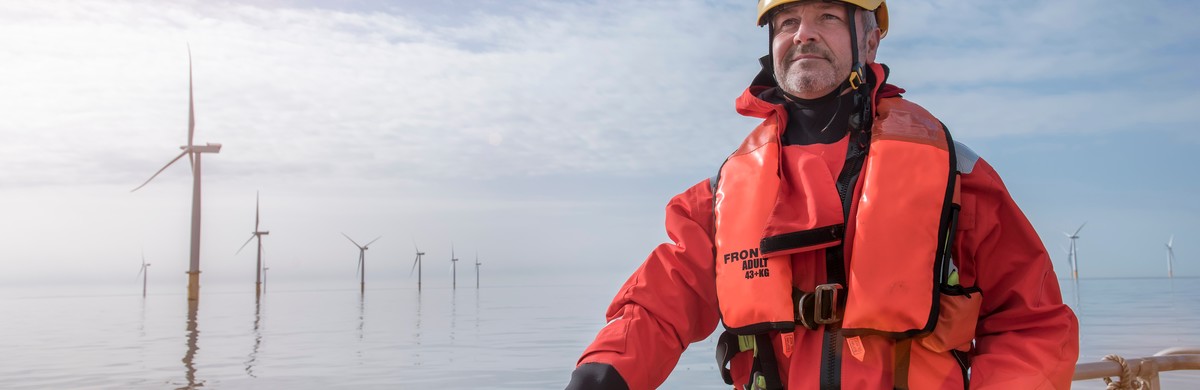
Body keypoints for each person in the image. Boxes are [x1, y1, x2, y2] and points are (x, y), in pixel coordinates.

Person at [565, 0, 1079, 389]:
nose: (803, 34)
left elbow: (1030, 322)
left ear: (870, 40)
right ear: (771, 43)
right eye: (787, 21)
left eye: (828, 17)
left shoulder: (956, 176)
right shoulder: (724, 194)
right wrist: (602, 374)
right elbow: (657, 306)